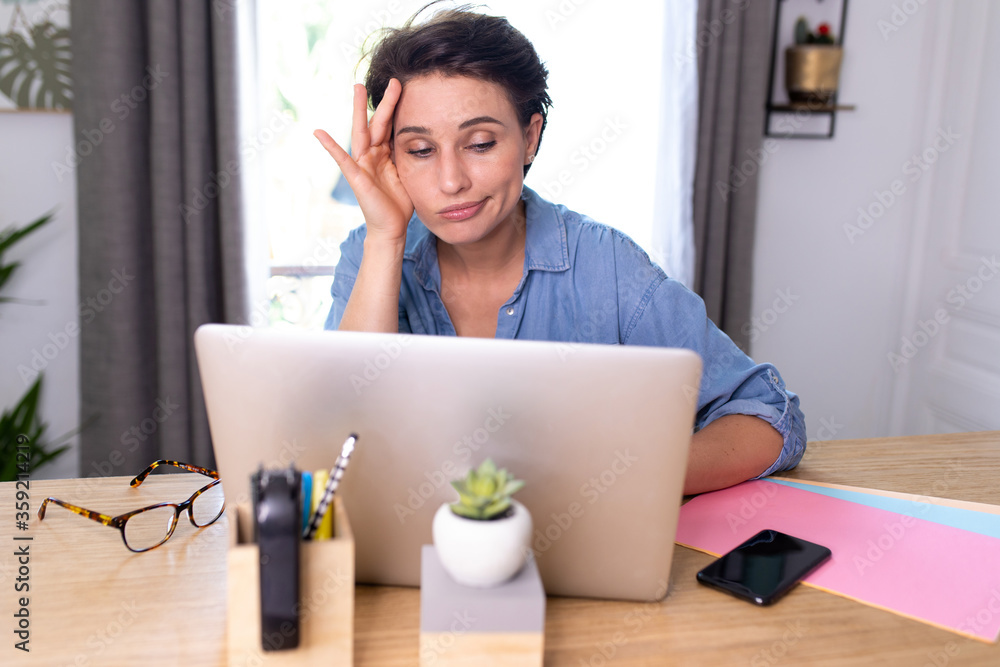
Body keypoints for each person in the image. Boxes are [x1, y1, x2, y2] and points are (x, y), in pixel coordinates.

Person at [314, 6, 806, 495]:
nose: (450, 181)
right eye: (420, 151)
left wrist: (622, 480)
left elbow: (769, 416)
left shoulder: (607, 267)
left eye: (480, 143)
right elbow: (335, 439)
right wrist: (386, 237)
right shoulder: (371, 253)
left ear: (530, 137)